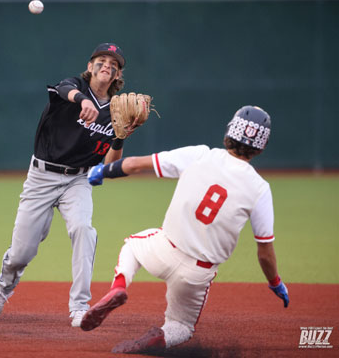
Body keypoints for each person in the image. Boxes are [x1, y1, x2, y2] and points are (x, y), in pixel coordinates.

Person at [80, 106, 289, 354]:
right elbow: (264, 251)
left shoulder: (200, 155)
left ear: (229, 132)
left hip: (164, 250)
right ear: (261, 147)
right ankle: (162, 338)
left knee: (132, 246)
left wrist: (103, 171)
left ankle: (119, 286)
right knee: (182, 327)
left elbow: (136, 164)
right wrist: (275, 283)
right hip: (197, 274)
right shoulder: (260, 188)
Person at [0, 43, 132, 327]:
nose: (107, 65)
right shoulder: (74, 86)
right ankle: (4, 287)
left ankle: (80, 307)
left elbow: (108, 167)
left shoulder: (117, 110)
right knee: (22, 252)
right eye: (101, 60)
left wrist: (121, 136)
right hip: (42, 176)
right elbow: (63, 90)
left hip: (78, 179)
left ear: (117, 75)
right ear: (90, 67)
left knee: (83, 230)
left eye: (114, 64)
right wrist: (81, 100)